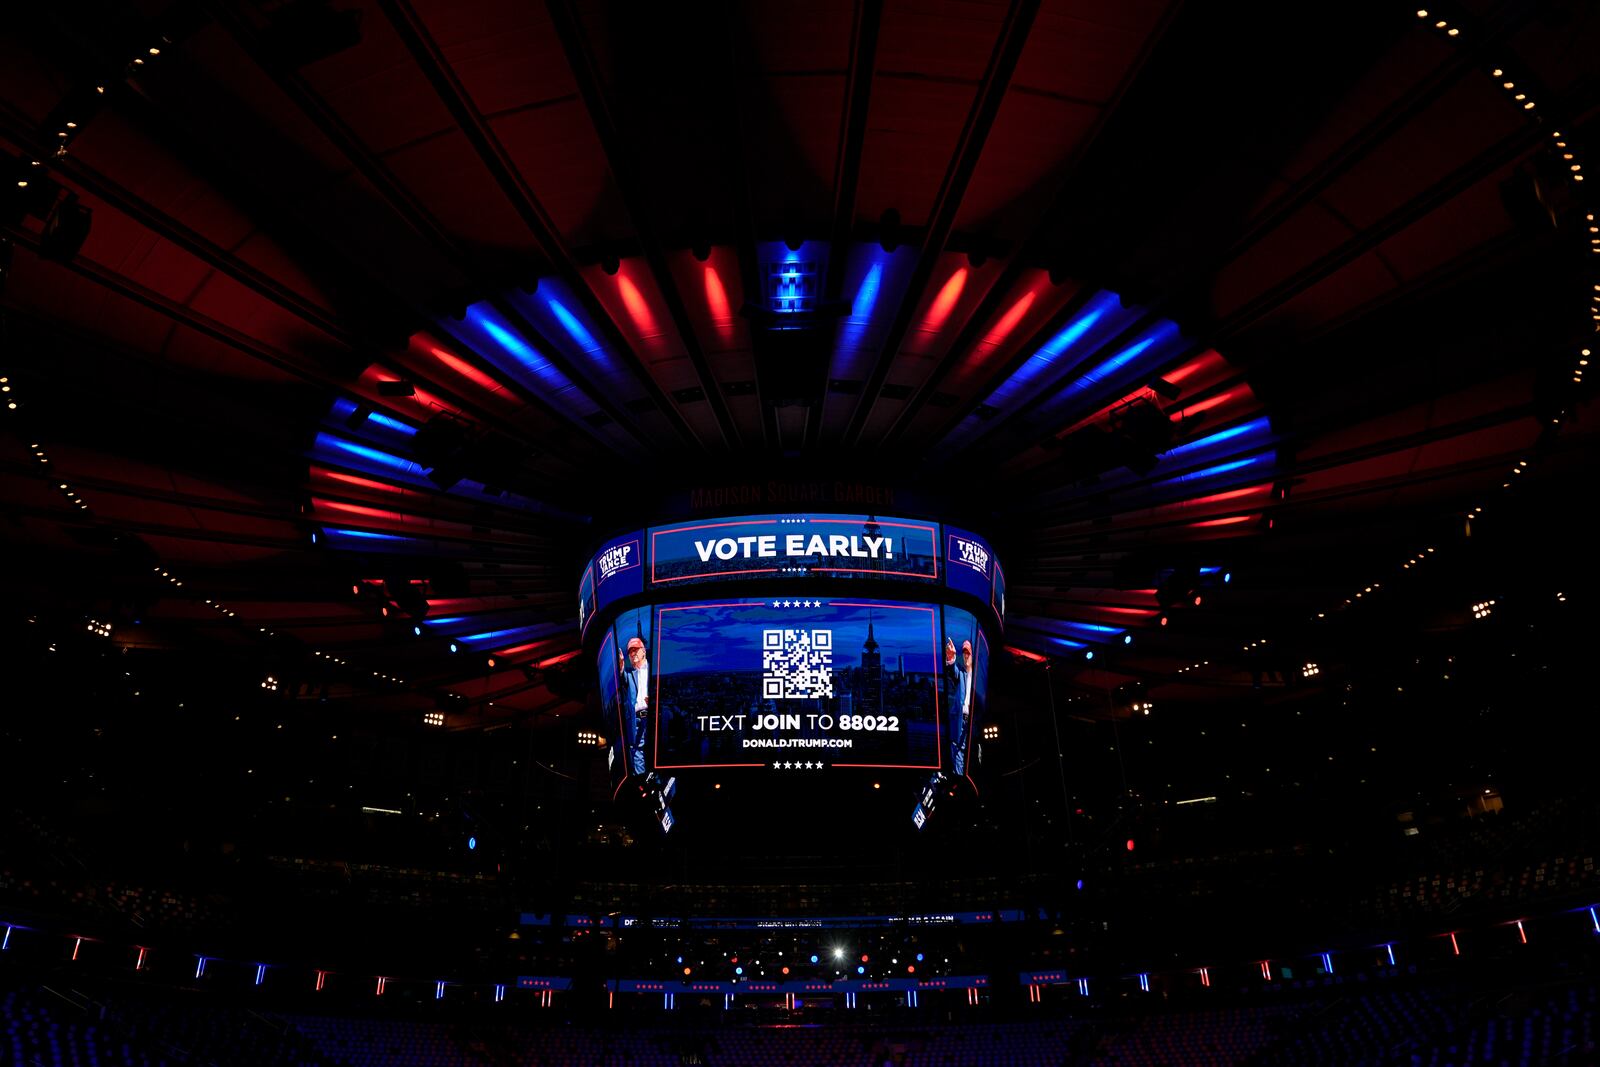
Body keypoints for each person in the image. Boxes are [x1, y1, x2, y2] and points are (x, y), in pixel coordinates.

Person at [620, 634, 674, 809]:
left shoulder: (655, 669)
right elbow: (621, 679)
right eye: (630, 652)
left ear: (644, 651)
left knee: (658, 747)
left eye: (636, 650)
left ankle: (664, 780)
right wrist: (621, 666)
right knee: (636, 750)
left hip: (653, 715)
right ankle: (644, 784)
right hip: (637, 718)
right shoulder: (629, 675)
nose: (633, 654)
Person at [944, 637, 975, 776]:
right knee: (957, 750)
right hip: (961, 720)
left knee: (972, 753)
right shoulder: (961, 673)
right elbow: (952, 670)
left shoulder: (978, 676)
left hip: (974, 722)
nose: (965, 655)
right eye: (964, 653)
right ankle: (959, 779)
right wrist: (951, 658)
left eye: (968, 652)